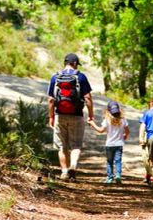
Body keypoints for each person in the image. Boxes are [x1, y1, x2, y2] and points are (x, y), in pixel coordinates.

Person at [47, 53, 94, 181]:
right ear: (74, 64)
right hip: (77, 115)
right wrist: (91, 115)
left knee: (62, 146)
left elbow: (51, 100)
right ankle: (73, 166)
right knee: (76, 145)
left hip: (60, 115)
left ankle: (64, 172)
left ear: (65, 63)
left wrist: (51, 116)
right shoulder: (81, 77)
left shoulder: (55, 77)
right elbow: (88, 98)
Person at [88, 100, 129, 184]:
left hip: (109, 145)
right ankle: (118, 175)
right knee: (118, 161)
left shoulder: (107, 120)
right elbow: (127, 131)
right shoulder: (123, 120)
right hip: (119, 144)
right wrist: (125, 136)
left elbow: (100, 130)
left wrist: (92, 124)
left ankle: (110, 178)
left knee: (109, 162)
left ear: (108, 111)